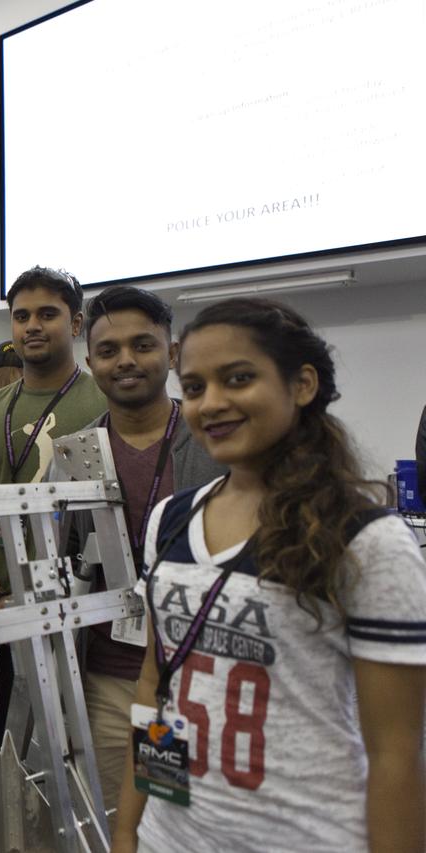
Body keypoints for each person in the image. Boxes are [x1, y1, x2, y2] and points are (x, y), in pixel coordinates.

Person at [113, 298, 426, 853]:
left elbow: (396, 757)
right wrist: (130, 829)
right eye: (194, 387)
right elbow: (156, 686)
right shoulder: (173, 518)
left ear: (302, 384)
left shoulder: (366, 541)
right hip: (173, 836)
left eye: (237, 378)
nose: (212, 403)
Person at [70, 285, 223, 824]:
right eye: (109, 351)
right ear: (90, 363)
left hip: (202, 681)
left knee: (188, 821)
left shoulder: (216, 444)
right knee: (128, 823)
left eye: (143, 345)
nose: (126, 361)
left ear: (172, 353)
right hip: (110, 681)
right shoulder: (74, 456)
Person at [0, 266, 106, 608]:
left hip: (83, 611)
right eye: (21, 316)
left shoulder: (106, 404)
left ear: (76, 324)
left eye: (47, 314)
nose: (32, 325)